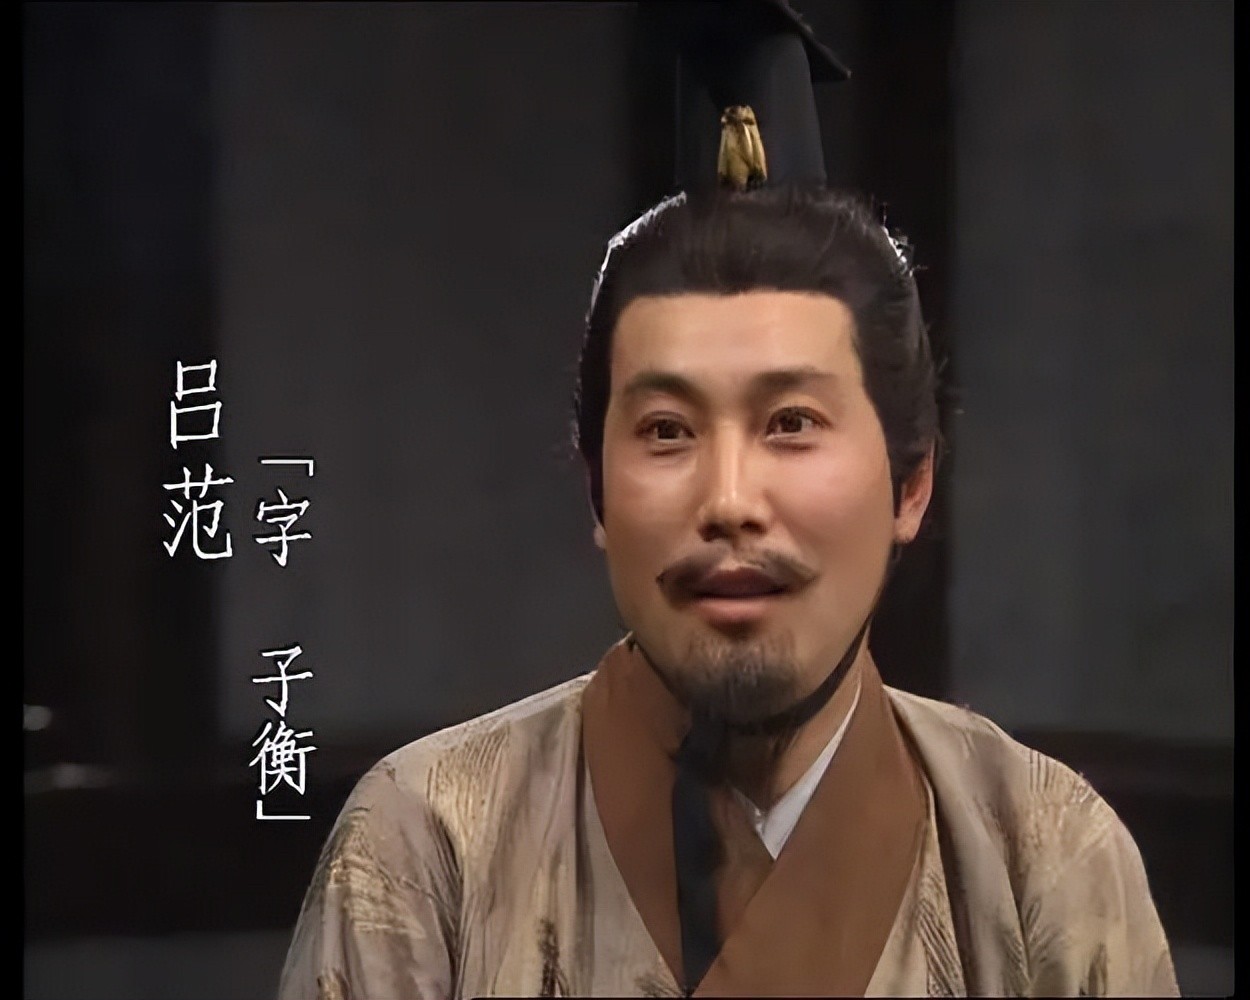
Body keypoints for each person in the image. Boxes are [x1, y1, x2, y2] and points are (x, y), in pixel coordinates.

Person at [277, 6, 1178, 998]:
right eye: (667, 430)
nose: (729, 500)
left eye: (790, 422)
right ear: (595, 489)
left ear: (911, 483)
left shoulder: (1045, 858)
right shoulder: (426, 845)